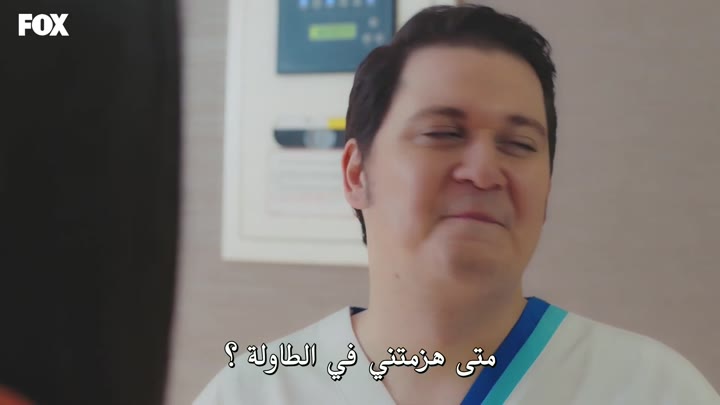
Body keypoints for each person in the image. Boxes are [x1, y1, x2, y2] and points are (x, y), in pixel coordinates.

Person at [194, 5, 720, 404]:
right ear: (356, 172)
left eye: (519, 144)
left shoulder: (654, 389)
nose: (484, 172)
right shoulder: (253, 391)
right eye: (444, 133)